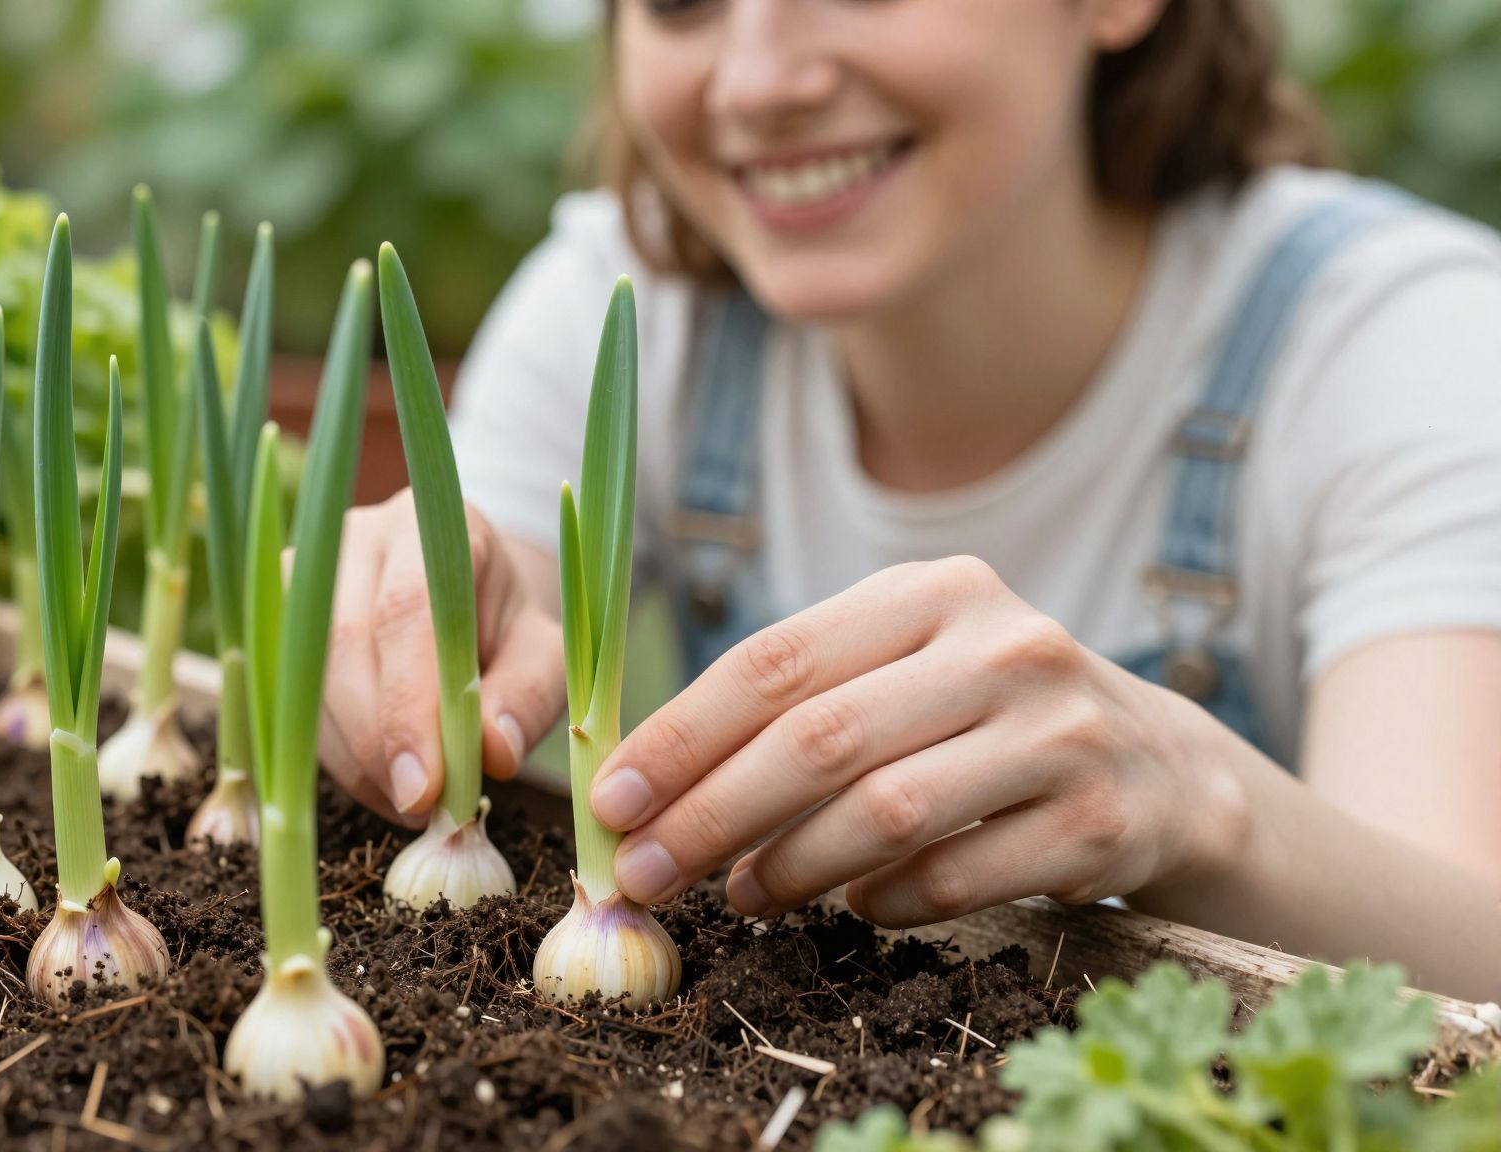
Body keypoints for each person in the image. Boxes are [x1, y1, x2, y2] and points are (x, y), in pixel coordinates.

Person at [323, 0, 1501, 1000]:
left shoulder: (1398, 344)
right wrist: (403, 638)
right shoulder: (626, 309)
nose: (757, 81)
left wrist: (1201, 801)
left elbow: (1474, 971)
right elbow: (486, 600)